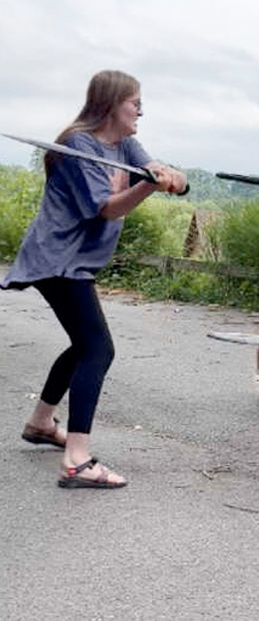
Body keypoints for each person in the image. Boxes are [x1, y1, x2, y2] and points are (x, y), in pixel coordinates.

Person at [3, 69, 187, 489]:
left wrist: (171, 175)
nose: (141, 109)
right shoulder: (75, 146)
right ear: (110, 104)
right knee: (98, 350)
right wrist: (148, 186)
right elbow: (105, 208)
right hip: (56, 259)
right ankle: (77, 460)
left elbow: (153, 166)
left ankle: (41, 423)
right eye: (134, 102)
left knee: (83, 345)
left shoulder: (124, 144)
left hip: (77, 263)